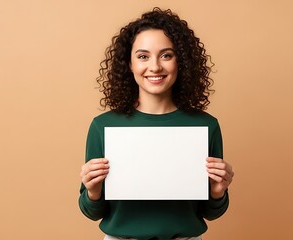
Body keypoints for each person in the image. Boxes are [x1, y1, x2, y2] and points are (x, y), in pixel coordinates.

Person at [79, 7, 234, 240]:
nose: (155, 67)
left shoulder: (205, 126)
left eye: (166, 55)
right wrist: (92, 190)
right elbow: (93, 212)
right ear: (129, 64)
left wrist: (218, 191)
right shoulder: (103, 126)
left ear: (180, 62)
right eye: (143, 56)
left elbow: (210, 212)